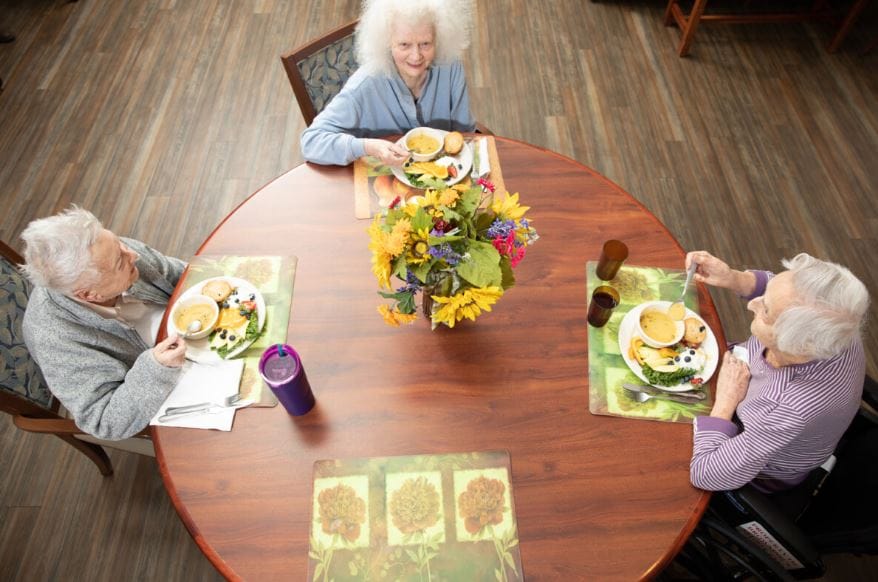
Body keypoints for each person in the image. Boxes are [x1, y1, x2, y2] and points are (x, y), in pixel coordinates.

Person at [687, 250, 869, 493]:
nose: (753, 303)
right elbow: (790, 294)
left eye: (765, 310)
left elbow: (707, 474)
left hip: (759, 465)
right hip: (738, 379)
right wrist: (734, 278)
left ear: (791, 343)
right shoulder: (836, 319)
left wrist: (725, 402)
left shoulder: (786, 408)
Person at [20, 207, 187, 440]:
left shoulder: (109, 251)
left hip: (193, 332)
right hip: (163, 382)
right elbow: (104, 420)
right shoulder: (54, 339)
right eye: (120, 262)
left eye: (119, 242)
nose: (133, 254)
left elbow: (178, 273)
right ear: (89, 295)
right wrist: (156, 369)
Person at [300, 0, 476, 167]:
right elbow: (310, 142)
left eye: (425, 44)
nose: (416, 56)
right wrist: (368, 147)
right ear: (387, 42)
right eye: (404, 44)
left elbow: (465, 134)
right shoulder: (366, 83)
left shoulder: (451, 67)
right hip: (384, 185)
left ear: (438, 38)